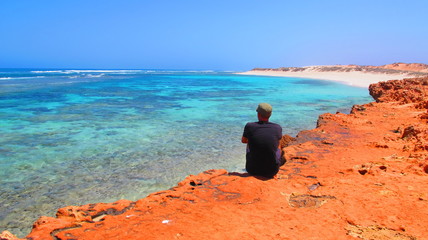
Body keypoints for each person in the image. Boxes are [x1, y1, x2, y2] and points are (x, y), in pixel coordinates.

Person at [242, 103, 283, 178]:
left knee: (249, 142)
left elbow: (243, 141)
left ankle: (254, 162)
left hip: (252, 170)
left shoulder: (250, 126)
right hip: (272, 171)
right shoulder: (277, 127)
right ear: (270, 115)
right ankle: (275, 163)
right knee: (278, 144)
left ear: (259, 114)